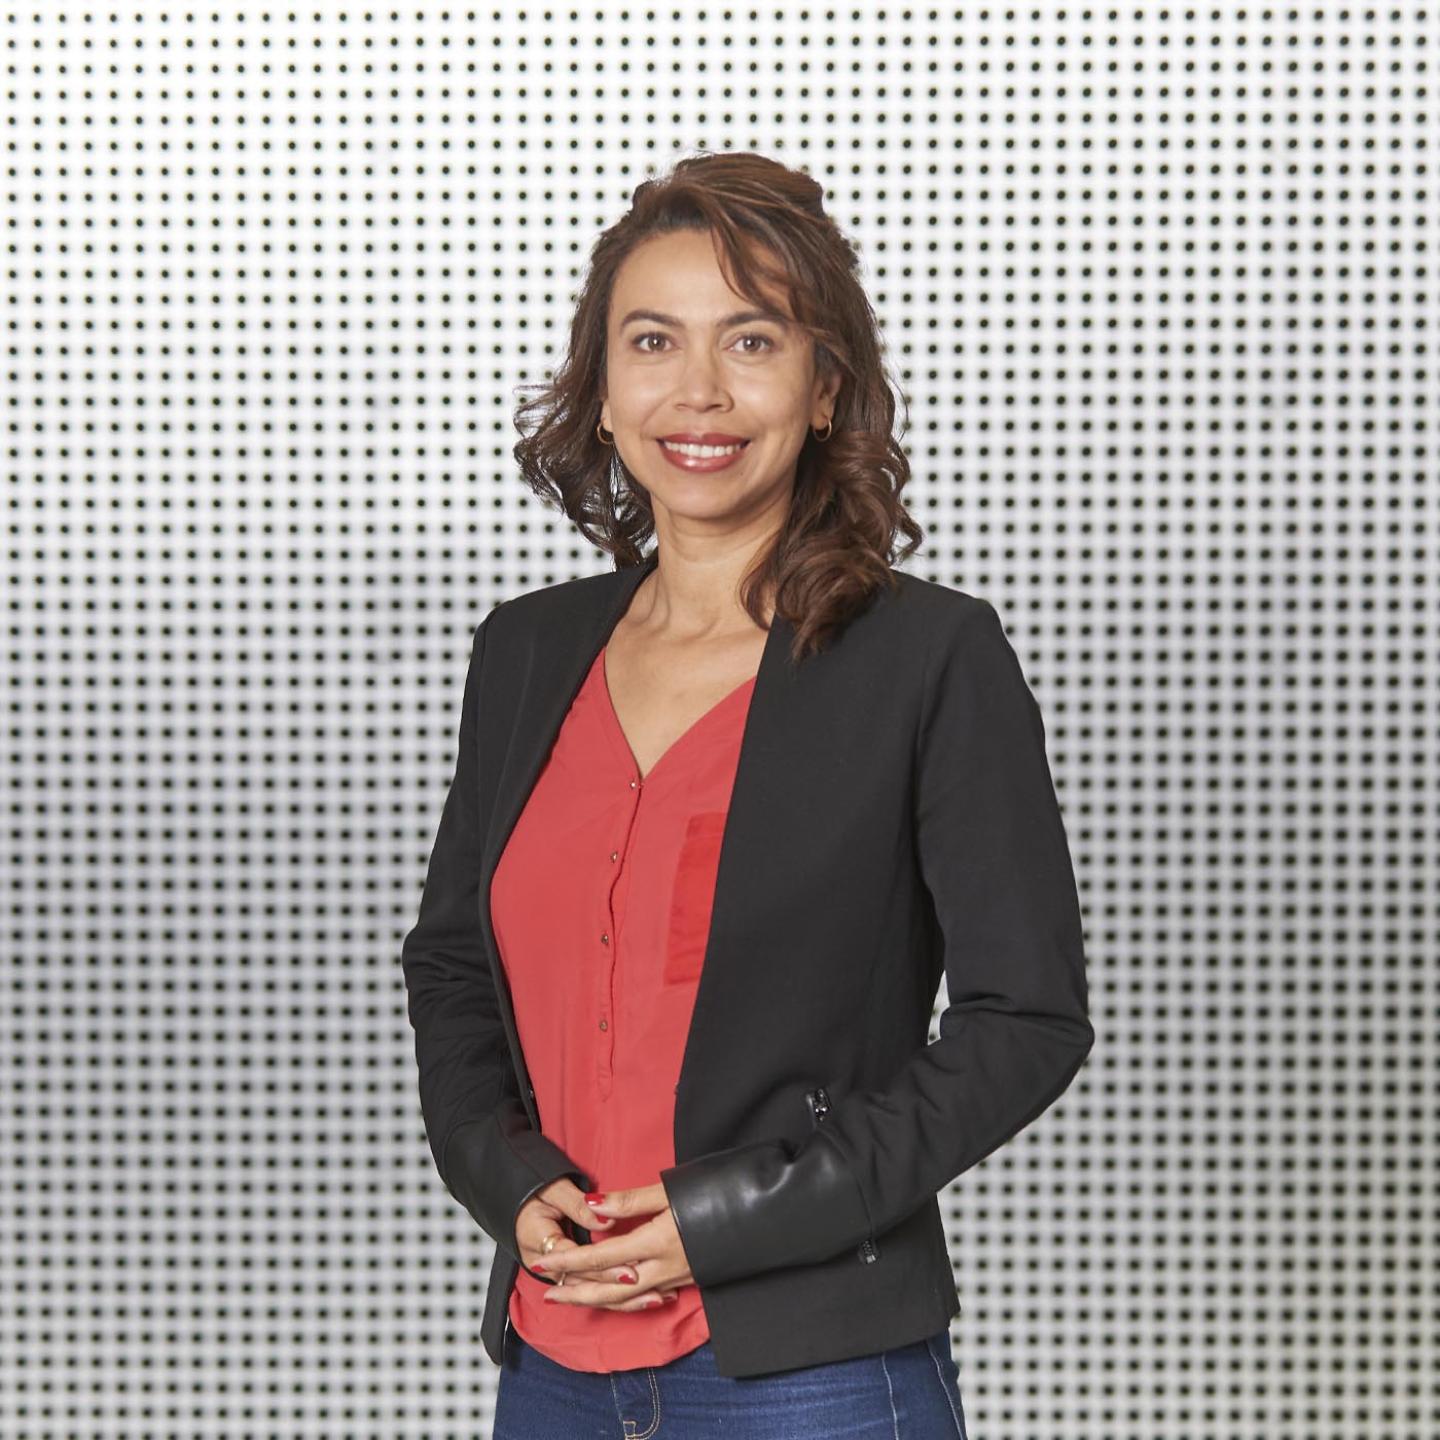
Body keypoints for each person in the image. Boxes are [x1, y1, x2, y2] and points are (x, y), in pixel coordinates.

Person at [399, 149, 1094, 1438]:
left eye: (753, 339)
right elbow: (451, 962)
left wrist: (733, 1219)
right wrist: (507, 1177)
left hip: (818, 1376)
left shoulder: (928, 658)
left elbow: (1027, 1021)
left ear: (824, 388)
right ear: (602, 386)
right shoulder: (526, 651)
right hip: (550, 1365)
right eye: (653, 340)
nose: (699, 391)